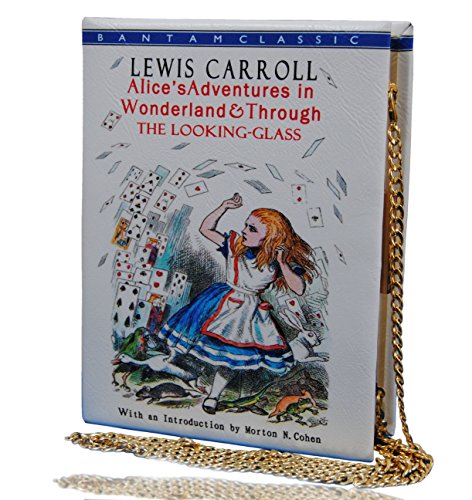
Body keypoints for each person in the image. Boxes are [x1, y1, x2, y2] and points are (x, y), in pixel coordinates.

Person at [158, 193, 316, 414]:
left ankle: (214, 396)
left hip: (248, 312)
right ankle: (183, 372)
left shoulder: (278, 260)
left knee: (230, 358)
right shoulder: (235, 244)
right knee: (194, 337)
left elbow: (298, 288)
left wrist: (282, 262)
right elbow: (206, 229)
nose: (244, 231)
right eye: (246, 225)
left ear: (270, 237)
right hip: (219, 300)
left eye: (252, 229)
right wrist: (223, 206)